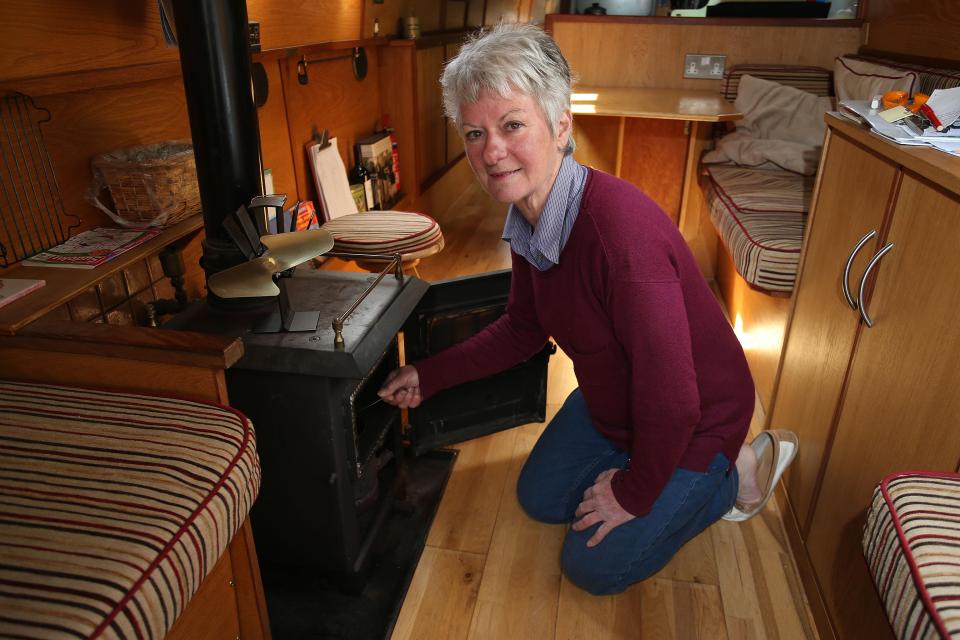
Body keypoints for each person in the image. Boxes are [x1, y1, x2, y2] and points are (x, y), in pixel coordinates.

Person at [378, 23, 798, 595]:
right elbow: (522, 330)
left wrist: (633, 490)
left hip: (696, 417)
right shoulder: (530, 218)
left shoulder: (618, 235)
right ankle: (647, 461)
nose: (491, 151)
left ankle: (734, 471)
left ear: (560, 126)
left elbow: (673, 400)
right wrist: (430, 375)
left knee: (593, 568)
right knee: (539, 499)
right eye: (474, 133)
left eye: (512, 125)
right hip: (617, 402)